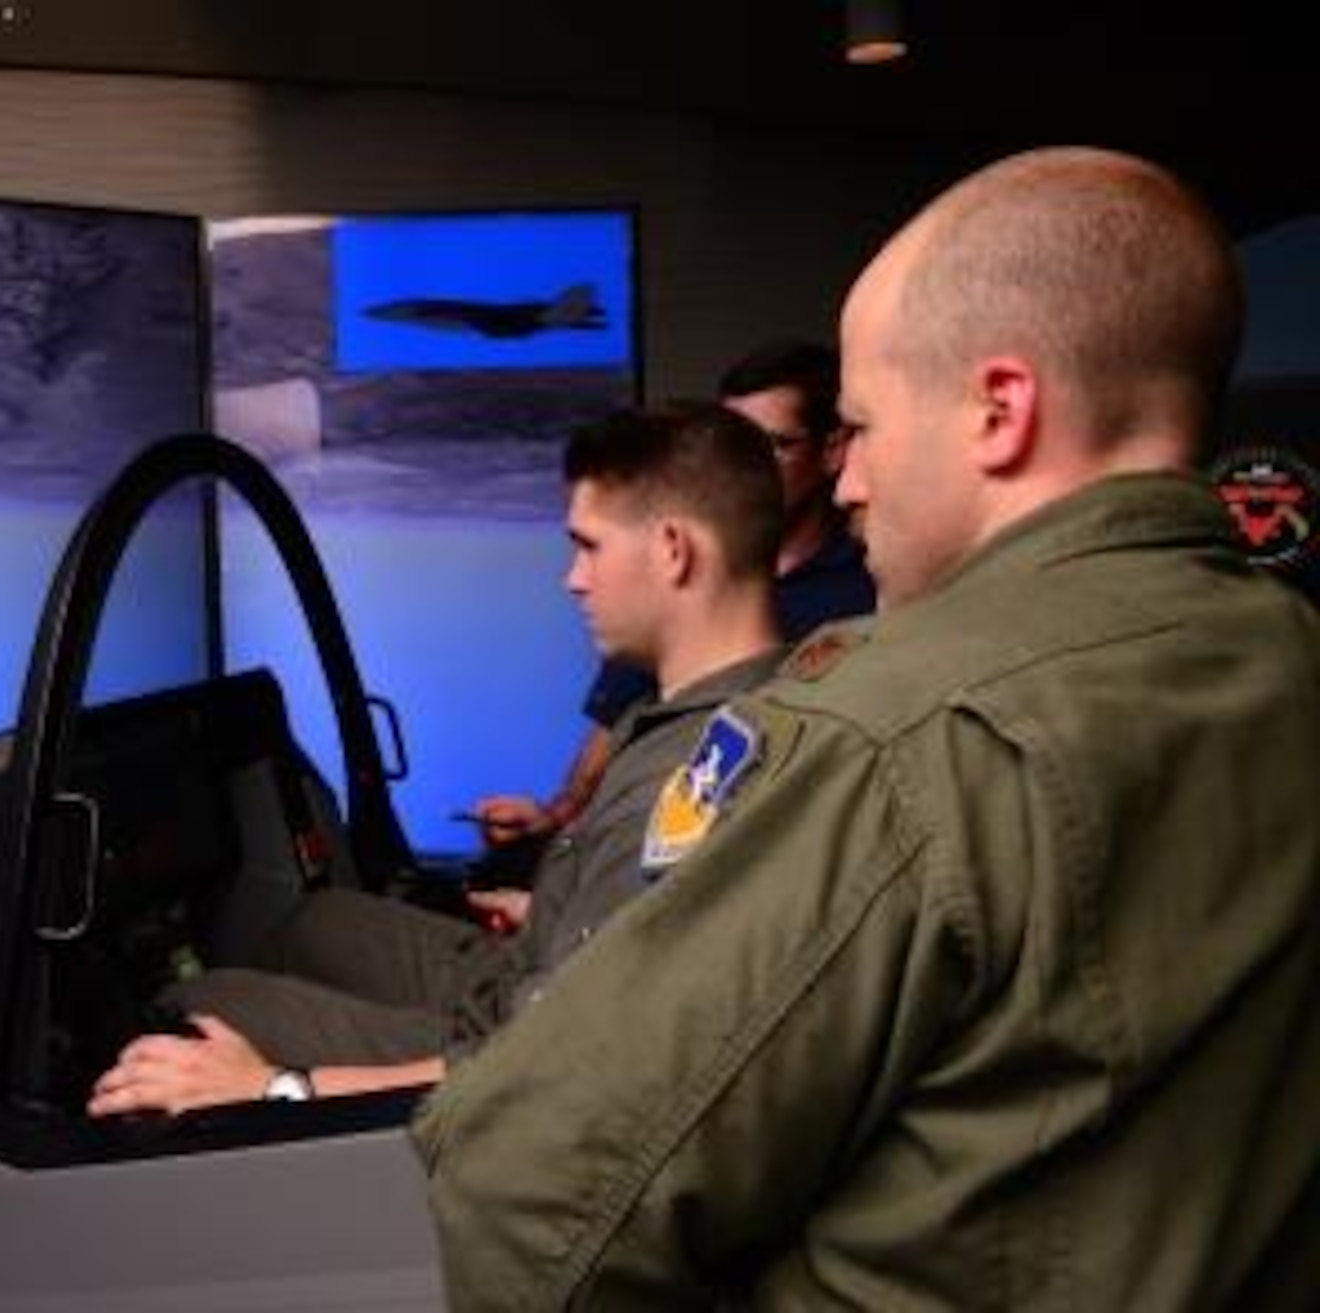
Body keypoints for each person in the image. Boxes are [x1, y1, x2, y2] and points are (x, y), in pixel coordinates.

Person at [412, 146, 1320, 1309]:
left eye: (859, 427)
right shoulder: (1285, 655)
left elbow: (530, 1198)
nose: (841, 485)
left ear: (999, 410)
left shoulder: (893, 732)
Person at [88, 401, 788, 1117]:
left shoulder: (696, 778)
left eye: (589, 546)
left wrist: (273, 1085)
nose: (572, 579)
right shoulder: (688, 714)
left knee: (194, 1003)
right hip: (526, 975)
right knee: (314, 920)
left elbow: (547, 1069)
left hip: (507, 1048)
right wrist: (555, 908)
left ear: (673, 549)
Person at [473, 341, 873, 847]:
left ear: (833, 450)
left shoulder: (872, 598)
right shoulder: (652, 616)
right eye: (731, 444)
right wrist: (557, 821)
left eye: (772, 444)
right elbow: (610, 734)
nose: (744, 466)